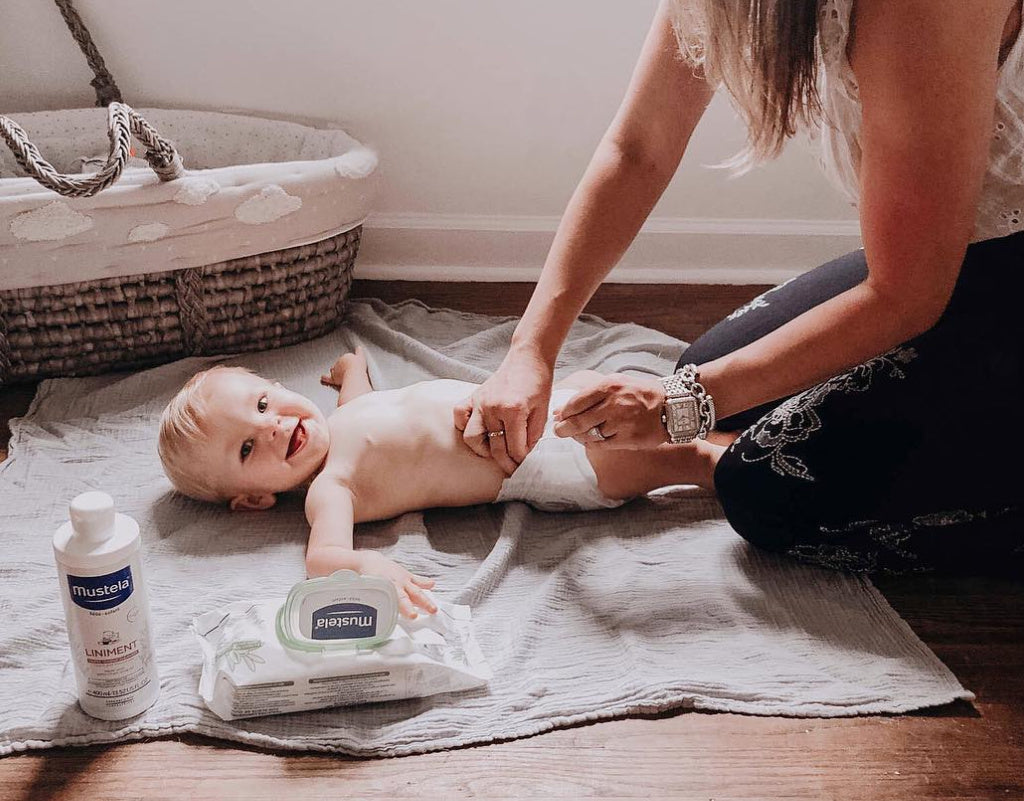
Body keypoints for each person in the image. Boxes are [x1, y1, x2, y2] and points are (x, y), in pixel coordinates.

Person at [455, 0, 1024, 575]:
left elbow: (906, 295)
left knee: (767, 492)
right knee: (713, 365)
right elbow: (640, 148)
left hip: (987, 269)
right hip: (959, 258)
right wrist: (531, 350)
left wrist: (682, 407)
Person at [157, 348, 731, 617]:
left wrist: (352, 372)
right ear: (255, 498)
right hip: (556, 467)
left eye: (263, 402)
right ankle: (737, 465)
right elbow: (324, 557)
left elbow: (366, 408)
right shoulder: (331, 487)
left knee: (645, 403)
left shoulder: (337, 427)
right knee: (695, 461)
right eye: (249, 446)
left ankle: (744, 422)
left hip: (535, 413)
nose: (276, 425)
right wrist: (371, 567)